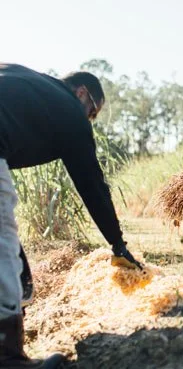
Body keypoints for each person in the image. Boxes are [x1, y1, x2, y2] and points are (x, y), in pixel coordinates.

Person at [0, 63, 142, 368]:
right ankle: (7, 356)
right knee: (3, 247)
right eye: (92, 112)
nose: (89, 120)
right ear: (82, 93)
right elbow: (91, 184)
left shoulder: (25, 81)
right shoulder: (68, 109)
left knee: (14, 259)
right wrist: (118, 244)